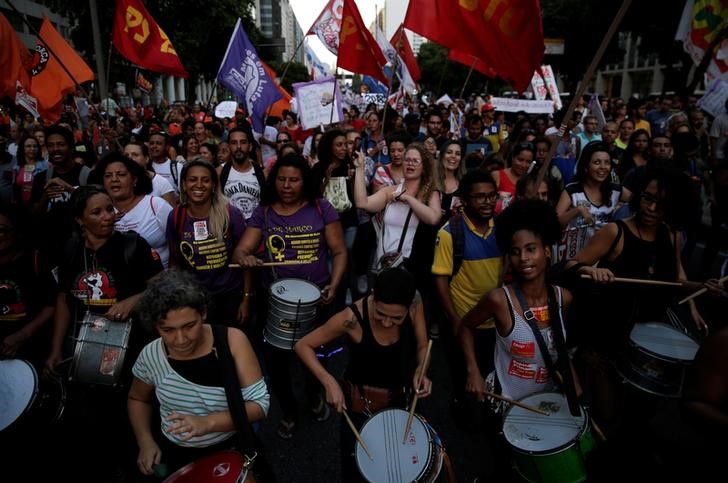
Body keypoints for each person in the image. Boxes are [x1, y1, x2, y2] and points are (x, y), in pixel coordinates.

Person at [564, 167, 706, 438]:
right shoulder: (614, 232)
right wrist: (591, 270)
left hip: (645, 339)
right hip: (607, 337)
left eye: (660, 204)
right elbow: (571, 265)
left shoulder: (671, 236)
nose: (651, 208)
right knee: (607, 414)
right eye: (646, 198)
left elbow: (678, 278)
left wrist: (698, 295)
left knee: (641, 411)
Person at [43, 185, 163, 482]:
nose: (108, 217)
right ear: (80, 220)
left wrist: (132, 301)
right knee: (93, 421)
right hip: (85, 349)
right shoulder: (70, 250)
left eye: (109, 209)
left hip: (131, 346)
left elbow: (160, 285)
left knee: (131, 412)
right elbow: (64, 301)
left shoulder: (132, 245)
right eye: (97, 212)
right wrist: (56, 349)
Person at [233, 153, 347, 439]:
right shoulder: (265, 211)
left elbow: (339, 251)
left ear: (304, 181)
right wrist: (244, 257)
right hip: (276, 301)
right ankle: (288, 410)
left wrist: (333, 285)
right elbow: (241, 249)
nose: (286, 185)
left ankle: (313, 396)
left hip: (315, 298)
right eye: (281, 179)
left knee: (315, 354)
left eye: (294, 180)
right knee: (277, 361)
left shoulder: (322, 208)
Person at [294, 267, 431, 482]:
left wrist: (421, 370)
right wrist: (328, 381)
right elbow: (303, 345)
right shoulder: (351, 318)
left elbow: (423, 345)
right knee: (359, 475)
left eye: (396, 318)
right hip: (362, 409)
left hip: (403, 402)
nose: (387, 322)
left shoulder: (415, 302)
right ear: (373, 294)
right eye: (380, 314)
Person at [128, 270, 269, 477]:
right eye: (167, 330)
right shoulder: (151, 355)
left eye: (189, 326)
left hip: (230, 446)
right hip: (176, 454)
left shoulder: (232, 341)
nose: (180, 339)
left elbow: (260, 405)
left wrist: (208, 423)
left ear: (203, 313)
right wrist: (145, 441)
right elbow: (137, 398)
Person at [432, 170, 502, 422]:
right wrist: (453, 318)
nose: (487, 202)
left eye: (491, 196)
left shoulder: (503, 228)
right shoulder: (450, 234)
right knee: (467, 377)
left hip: (499, 322)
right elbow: (440, 277)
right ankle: (464, 411)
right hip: (466, 322)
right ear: (464, 200)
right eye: (479, 197)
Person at [167, 159, 251, 326]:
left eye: (205, 180)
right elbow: (175, 261)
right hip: (193, 298)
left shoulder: (230, 214)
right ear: (184, 184)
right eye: (193, 180)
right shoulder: (176, 217)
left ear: (213, 185)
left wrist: (246, 299)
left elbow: (246, 260)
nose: (199, 185)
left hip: (229, 296)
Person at [353, 142, 441, 277]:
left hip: (411, 266)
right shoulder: (390, 191)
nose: (410, 163)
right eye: (407, 160)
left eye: (415, 161)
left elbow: (434, 218)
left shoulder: (430, 193)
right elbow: (362, 203)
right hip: (385, 264)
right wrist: (360, 168)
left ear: (424, 167)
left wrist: (409, 199)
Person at [97, 152, 173, 269]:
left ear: (134, 180)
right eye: (108, 175)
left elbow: (177, 242)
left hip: (160, 280)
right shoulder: (98, 210)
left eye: (121, 174)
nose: (114, 179)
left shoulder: (156, 205)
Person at [556, 142, 630, 254]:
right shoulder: (572, 190)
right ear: (586, 167)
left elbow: (639, 201)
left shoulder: (616, 190)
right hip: (575, 251)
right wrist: (578, 210)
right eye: (597, 162)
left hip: (605, 251)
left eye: (607, 163)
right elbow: (556, 221)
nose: (603, 167)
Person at [123, 141, 176, 205]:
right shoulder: (118, 182)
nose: (130, 158)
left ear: (146, 159)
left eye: (135, 155)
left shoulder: (161, 183)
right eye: (126, 155)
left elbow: (172, 213)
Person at [493, 142, 535, 214]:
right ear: (513, 157)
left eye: (528, 161)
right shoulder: (497, 175)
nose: (523, 165)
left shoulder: (531, 181)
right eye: (520, 160)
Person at [14, 133, 48, 206]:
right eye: (28, 146)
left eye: (35, 146)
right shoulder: (17, 166)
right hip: (21, 205)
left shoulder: (47, 166)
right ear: (22, 148)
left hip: (40, 206)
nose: (32, 149)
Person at [438, 140, 465, 219]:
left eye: (457, 154)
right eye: (449, 152)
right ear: (442, 155)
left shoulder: (464, 184)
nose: (453, 156)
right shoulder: (431, 179)